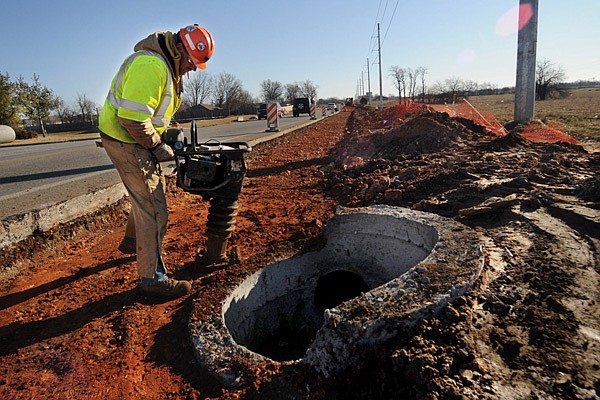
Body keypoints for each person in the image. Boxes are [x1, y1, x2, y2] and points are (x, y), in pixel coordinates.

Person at [99, 24, 214, 299]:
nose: (192, 68)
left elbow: (151, 113)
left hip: (131, 136)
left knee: (144, 193)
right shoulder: (151, 65)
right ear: (179, 49)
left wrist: (164, 133)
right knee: (153, 207)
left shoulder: (165, 66)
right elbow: (133, 119)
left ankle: (132, 242)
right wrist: (157, 146)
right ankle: (153, 279)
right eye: (191, 61)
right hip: (126, 138)